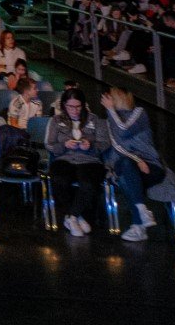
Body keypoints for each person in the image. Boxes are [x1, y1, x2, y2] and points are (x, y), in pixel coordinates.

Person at [46, 86, 111, 237]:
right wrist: (64, 145)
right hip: (64, 159)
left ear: (83, 105)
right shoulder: (56, 120)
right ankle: (76, 217)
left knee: (88, 182)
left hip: (89, 160)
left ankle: (72, 216)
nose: (75, 110)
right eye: (70, 107)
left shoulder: (94, 119)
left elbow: (104, 143)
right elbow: (50, 145)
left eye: (78, 106)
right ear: (64, 106)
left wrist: (91, 146)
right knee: (59, 179)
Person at [101, 88, 164, 242]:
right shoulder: (111, 120)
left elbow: (124, 130)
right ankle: (142, 214)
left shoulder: (139, 113)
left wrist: (110, 110)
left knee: (126, 179)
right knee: (125, 167)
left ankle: (138, 226)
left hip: (150, 167)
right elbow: (117, 146)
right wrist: (137, 160)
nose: (108, 101)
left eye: (111, 97)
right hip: (130, 164)